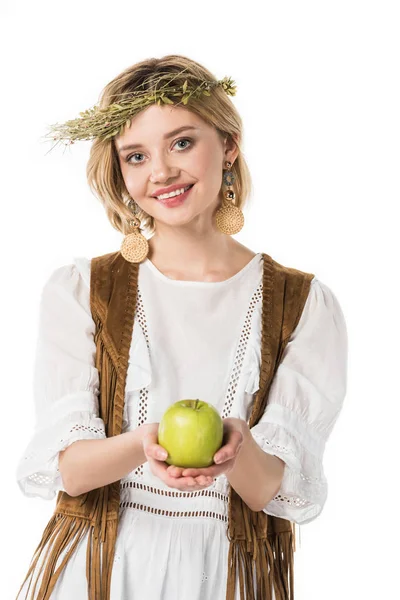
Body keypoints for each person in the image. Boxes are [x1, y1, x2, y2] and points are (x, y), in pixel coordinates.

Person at [15, 55, 348, 599]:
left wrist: (237, 450)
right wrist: (143, 444)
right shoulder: (81, 291)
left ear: (229, 144)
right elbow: (72, 471)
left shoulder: (302, 304)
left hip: (226, 574)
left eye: (182, 143)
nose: (161, 172)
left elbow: (270, 490)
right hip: (102, 567)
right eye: (136, 155)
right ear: (120, 171)